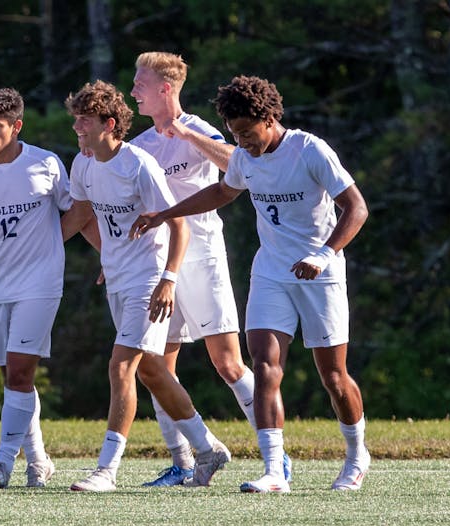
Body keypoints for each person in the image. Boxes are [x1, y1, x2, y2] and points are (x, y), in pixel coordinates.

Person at [131, 75, 370, 493]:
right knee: (263, 365)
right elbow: (222, 192)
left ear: (271, 118)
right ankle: (275, 470)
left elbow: (356, 208)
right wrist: (164, 213)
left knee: (333, 376)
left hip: (321, 272)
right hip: (271, 272)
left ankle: (356, 456)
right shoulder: (244, 155)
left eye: (248, 132)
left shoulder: (308, 150)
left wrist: (324, 253)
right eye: (235, 134)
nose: (242, 142)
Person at [128, 52, 291, 487]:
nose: (132, 92)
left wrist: (185, 134)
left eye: (139, 84)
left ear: (165, 88)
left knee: (228, 363)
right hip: (159, 264)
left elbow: (235, 165)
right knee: (158, 366)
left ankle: (276, 456)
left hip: (202, 256)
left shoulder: (200, 129)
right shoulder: (140, 147)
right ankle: (186, 461)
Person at [63, 80, 231, 492]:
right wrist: (97, 253)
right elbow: (81, 217)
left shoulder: (139, 164)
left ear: (110, 122)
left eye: (84, 121)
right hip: (119, 278)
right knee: (153, 371)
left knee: (121, 366)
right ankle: (208, 448)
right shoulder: (82, 164)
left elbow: (179, 225)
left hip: (149, 278)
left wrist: (169, 279)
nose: (77, 129)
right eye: (76, 121)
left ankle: (107, 470)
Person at [0, 88, 97, 488]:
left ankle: (3, 463)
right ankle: (38, 458)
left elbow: (80, 209)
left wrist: (58, 245)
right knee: (13, 378)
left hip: (40, 283)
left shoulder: (45, 163)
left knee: (19, 371)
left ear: (16, 127)